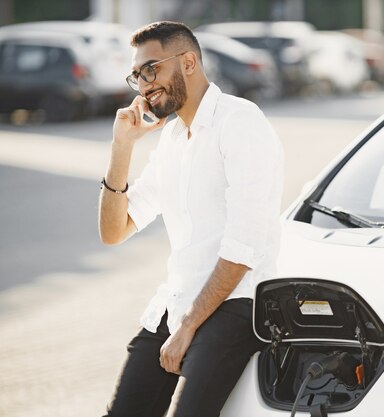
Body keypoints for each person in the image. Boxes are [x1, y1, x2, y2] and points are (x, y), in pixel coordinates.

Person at [98, 21, 283, 417]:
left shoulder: (240, 122)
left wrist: (187, 328)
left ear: (188, 62)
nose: (144, 85)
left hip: (233, 305)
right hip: (175, 303)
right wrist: (121, 147)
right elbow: (114, 231)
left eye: (151, 69)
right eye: (136, 76)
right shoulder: (171, 139)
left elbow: (243, 245)